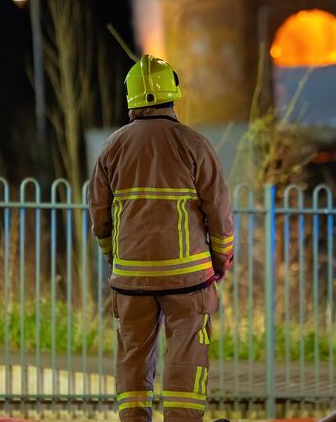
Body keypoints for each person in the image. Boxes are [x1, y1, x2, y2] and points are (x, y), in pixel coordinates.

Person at [92, 54, 235, 422]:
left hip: (131, 280)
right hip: (188, 280)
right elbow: (219, 213)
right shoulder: (194, 144)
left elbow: (100, 217)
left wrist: (113, 258)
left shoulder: (112, 147)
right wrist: (220, 263)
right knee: (187, 355)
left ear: (131, 96)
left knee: (133, 357)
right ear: (173, 93)